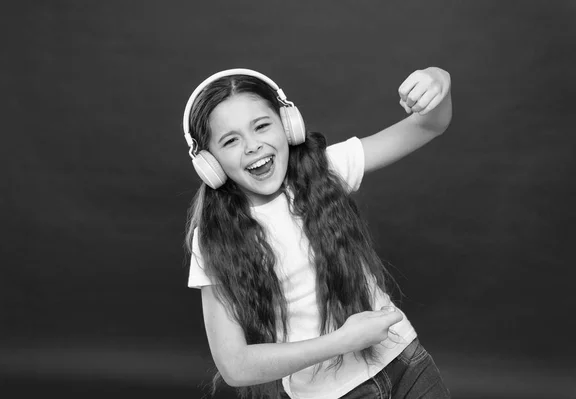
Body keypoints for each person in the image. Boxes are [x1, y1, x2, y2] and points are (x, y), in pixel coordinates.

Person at [183, 67, 452, 399]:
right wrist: (342, 342)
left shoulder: (325, 170)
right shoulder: (212, 239)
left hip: (407, 363)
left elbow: (429, 125)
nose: (253, 146)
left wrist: (438, 80)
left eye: (262, 126)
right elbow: (235, 366)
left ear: (288, 125)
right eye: (230, 140)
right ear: (209, 163)